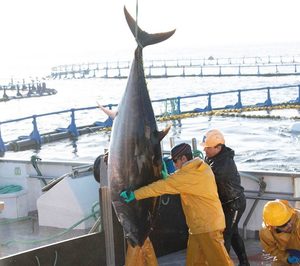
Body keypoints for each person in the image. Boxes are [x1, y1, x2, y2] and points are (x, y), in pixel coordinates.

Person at [120, 143, 233, 266]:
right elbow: (181, 180)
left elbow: (159, 188)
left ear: (184, 158)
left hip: (208, 227)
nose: (174, 165)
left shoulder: (186, 176)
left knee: (221, 263)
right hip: (198, 228)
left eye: (175, 161)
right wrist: (168, 177)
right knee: (194, 263)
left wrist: (135, 195)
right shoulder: (202, 167)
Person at [201, 129, 249, 266]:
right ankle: (244, 263)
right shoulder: (213, 157)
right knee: (233, 233)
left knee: (225, 235)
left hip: (234, 204)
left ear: (218, 147)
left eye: (208, 148)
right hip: (226, 204)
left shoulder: (222, 165)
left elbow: (204, 178)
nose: (205, 151)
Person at [259, 199, 300, 266]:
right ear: (273, 226)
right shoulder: (266, 233)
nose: (289, 225)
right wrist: (287, 258)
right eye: (284, 224)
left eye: (289, 220)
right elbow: (272, 250)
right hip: (286, 256)